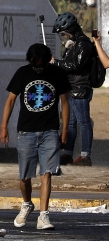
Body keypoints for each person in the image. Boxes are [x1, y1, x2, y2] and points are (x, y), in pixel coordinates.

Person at [0, 42, 71, 231]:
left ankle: (44, 215)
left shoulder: (57, 74)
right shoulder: (23, 73)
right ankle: (27, 204)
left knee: (46, 173)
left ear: (47, 61)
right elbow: (11, 100)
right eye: (34, 65)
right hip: (26, 131)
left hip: (49, 131)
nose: (37, 69)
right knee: (24, 177)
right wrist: (3, 126)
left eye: (40, 65)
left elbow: (65, 103)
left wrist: (64, 130)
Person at [51, 12, 95, 166]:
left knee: (84, 122)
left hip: (80, 88)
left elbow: (75, 65)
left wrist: (55, 62)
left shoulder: (84, 44)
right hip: (71, 87)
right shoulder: (73, 45)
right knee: (70, 123)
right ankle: (67, 153)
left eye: (63, 34)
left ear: (70, 31)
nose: (63, 37)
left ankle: (85, 155)